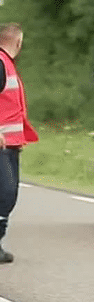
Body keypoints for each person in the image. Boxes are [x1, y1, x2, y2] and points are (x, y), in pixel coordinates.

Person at [0, 23, 38, 264]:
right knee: (5, 192)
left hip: (10, 144)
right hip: (1, 144)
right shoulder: (1, 63)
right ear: (18, 42)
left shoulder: (6, 64)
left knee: (7, 194)